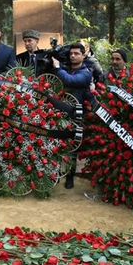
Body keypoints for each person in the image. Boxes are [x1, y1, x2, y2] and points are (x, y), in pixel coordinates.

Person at [52, 43, 93, 190]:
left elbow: (71, 81)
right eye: (71, 54)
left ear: (83, 55)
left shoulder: (86, 73)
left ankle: (70, 177)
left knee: (72, 147)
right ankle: (55, 174)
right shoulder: (64, 69)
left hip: (76, 113)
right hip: (59, 111)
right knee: (55, 143)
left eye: (76, 53)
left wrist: (57, 68)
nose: (73, 56)